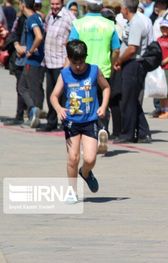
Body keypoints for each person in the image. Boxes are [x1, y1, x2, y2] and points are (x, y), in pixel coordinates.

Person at [50, 40, 110, 201]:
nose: (78, 66)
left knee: (90, 158)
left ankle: (85, 172)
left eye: (81, 62)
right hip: (72, 122)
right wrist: (59, 108)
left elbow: (106, 87)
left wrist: (103, 106)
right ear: (69, 59)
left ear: (85, 58)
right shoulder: (65, 74)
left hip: (90, 121)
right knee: (73, 157)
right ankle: (71, 191)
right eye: (75, 63)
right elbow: (54, 96)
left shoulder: (94, 71)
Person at [69, 0, 120, 152]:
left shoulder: (78, 23)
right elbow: (116, 49)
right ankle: (103, 128)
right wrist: (111, 63)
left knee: (85, 104)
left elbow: (71, 46)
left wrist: (72, 65)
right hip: (103, 69)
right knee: (102, 101)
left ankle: (89, 139)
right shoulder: (110, 25)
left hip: (83, 68)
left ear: (86, 5)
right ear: (101, 6)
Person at [112, 0, 153, 144]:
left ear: (126, 9)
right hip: (130, 63)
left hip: (133, 63)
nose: (120, 10)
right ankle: (143, 132)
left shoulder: (136, 23)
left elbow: (132, 49)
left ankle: (128, 134)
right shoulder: (133, 21)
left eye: (121, 8)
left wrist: (119, 61)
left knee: (128, 100)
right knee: (131, 99)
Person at [40, 0, 76, 132]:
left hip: (62, 62)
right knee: (51, 94)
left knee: (64, 95)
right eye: (52, 4)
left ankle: (67, 122)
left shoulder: (69, 17)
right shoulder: (50, 15)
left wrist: (70, 59)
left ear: (62, 3)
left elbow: (76, 36)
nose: (54, 7)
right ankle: (51, 122)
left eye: (57, 4)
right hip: (49, 61)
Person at [18, 0, 45, 128]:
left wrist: (31, 50)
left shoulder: (31, 19)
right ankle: (34, 112)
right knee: (23, 87)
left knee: (28, 88)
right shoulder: (37, 17)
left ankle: (34, 112)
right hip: (35, 61)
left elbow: (39, 36)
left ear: (23, 5)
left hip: (33, 61)